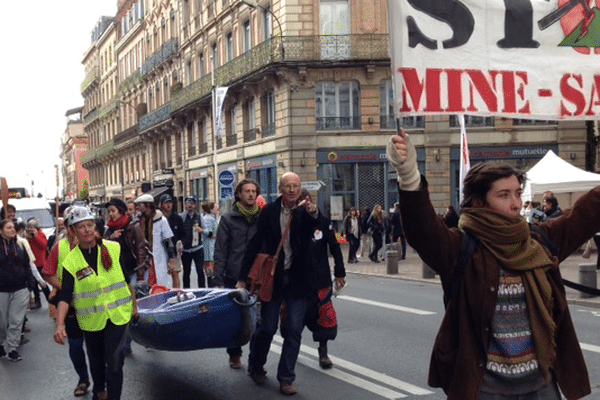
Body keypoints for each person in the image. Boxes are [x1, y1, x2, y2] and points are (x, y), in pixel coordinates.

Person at [388, 129, 593, 400]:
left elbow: (587, 213)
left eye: (518, 194)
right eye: (504, 195)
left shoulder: (538, 240)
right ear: (479, 203)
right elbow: (422, 231)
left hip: (542, 386)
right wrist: (409, 175)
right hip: (485, 389)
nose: (516, 204)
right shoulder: (460, 247)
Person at [237, 172, 325, 396]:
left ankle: (286, 378)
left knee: (294, 330)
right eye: (288, 186)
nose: (293, 190)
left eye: (296, 185)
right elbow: (255, 243)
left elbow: (320, 234)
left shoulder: (305, 211)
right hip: (273, 280)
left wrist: (314, 215)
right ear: (281, 189)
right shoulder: (269, 212)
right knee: (267, 328)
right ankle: (256, 364)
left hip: (298, 281)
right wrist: (243, 277)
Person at [53, 206, 137, 400]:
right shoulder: (71, 261)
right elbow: (65, 294)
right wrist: (59, 325)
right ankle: (100, 391)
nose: (87, 230)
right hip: (91, 319)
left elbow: (125, 278)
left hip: (118, 315)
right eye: (81, 227)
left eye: (90, 225)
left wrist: (135, 306)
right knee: (97, 360)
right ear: (72, 231)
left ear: (95, 226)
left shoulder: (113, 248)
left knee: (115, 361)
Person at [213, 179, 261, 369]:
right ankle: (234, 353)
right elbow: (221, 250)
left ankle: (256, 361)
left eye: (253, 191)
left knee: (259, 321)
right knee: (235, 319)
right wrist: (217, 278)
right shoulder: (228, 218)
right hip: (233, 275)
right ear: (239, 195)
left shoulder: (262, 217)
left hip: (257, 277)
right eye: (247, 191)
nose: (250, 194)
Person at [43, 207, 91, 396]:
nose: (78, 231)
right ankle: (83, 379)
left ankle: (103, 381)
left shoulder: (93, 245)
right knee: (76, 345)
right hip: (71, 305)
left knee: (99, 348)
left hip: (95, 306)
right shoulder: (60, 247)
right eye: (74, 227)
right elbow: (48, 273)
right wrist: (66, 288)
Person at [298, 189, 346, 369]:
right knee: (295, 320)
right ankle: (292, 348)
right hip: (298, 280)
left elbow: (334, 247)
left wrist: (340, 272)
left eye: (308, 201)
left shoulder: (323, 222)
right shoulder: (291, 221)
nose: (306, 205)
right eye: (302, 203)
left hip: (320, 279)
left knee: (324, 316)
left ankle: (323, 351)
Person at [104, 197, 150, 356]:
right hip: (118, 274)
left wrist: (141, 275)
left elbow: (140, 251)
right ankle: (126, 343)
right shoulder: (109, 230)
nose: (111, 214)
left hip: (134, 271)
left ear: (121, 211)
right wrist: (111, 239)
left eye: (113, 211)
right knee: (123, 308)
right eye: (109, 211)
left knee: (134, 307)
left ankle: (140, 339)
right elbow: (101, 249)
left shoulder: (133, 227)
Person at [0, 218, 35, 362]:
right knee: (2, 322)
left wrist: (30, 284)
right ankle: (1, 343)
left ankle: (12, 348)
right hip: (1, 289)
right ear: (1, 231)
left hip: (20, 288)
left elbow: (27, 265)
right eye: (9, 228)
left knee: (16, 320)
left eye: (13, 227)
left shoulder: (20, 245)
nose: (13, 230)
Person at [134, 194, 176, 288]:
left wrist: (171, 259)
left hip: (158, 257)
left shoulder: (161, 220)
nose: (138, 208)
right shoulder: (138, 221)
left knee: (160, 284)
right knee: (147, 284)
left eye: (140, 205)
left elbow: (168, 241)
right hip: (144, 259)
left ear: (148, 206)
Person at [180, 196, 206, 288]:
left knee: (200, 271)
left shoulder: (199, 217)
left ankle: (202, 291)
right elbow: (178, 232)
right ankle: (186, 292)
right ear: (185, 205)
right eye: (188, 203)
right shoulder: (182, 217)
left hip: (197, 249)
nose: (190, 205)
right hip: (186, 250)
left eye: (192, 203)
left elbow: (207, 231)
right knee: (186, 272)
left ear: (195, 205)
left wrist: (202, 231)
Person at [159, 194, 184, 289]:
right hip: (162, 249)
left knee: (175, 273)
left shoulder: (177, 218)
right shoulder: (158, 218)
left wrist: (181, 243)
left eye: (170, 202)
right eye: (166, 203)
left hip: (174, 249)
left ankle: (176, 292)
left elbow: (182, 234)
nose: (168, 205)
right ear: (161, 205)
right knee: (162, 274)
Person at [26, 217, 50, 309]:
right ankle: (37, 301)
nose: (30, 229)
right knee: (34, 284)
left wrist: (35, 236)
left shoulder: (41, 234)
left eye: (32, 227)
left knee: (42, 283)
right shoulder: (28, 237)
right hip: (32, 263)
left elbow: (43, 246)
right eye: (29, 227)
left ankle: (49, 299)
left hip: (40, 263)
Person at [201, 202, 219, 286]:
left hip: (209, 247)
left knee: (210, 271)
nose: (218, 209)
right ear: (211, 210)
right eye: (216, 208)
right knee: (210, 271)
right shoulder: (209, 219)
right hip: (210, 248)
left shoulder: (211, 218)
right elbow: (210, 233)